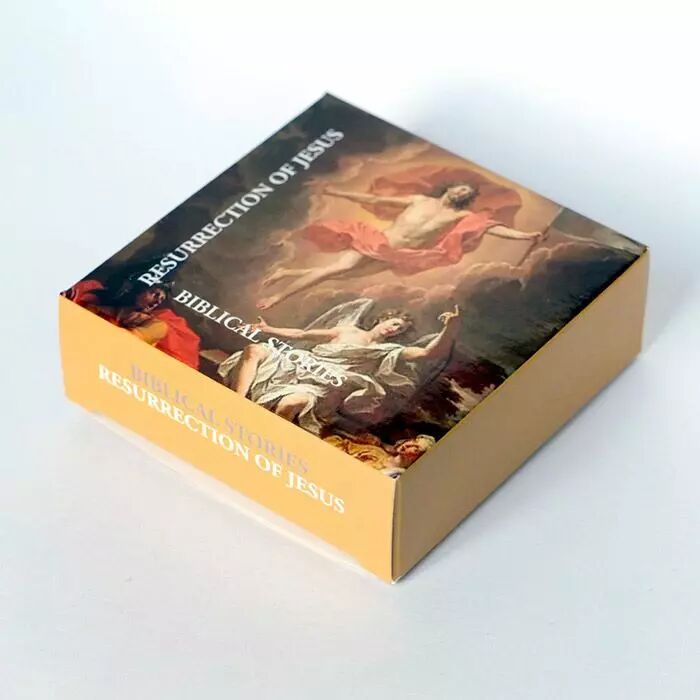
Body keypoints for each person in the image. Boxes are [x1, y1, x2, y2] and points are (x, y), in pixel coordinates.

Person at [258, 182, 545, 309]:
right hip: (377, 242)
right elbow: (376, 200)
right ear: (449, 189)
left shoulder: (462, 216)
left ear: (466, 199)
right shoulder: (420, 200)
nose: (461, 193)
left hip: (398, 254)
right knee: (335, 270)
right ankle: (279, 296)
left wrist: (527, 236)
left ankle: (286, 272)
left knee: (347, 275)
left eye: (466, 193)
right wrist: (336, 191)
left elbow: (493, 228)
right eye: (460, 188)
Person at [218, 301, 462, 435]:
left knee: (290, 404)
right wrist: (269, 329)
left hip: (322, 384)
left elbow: (429, 353)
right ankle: (237, 403)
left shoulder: (389, 351)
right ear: (384, 318)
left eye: (400, 329)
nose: (394, 329)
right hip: (300, 364)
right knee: (255, 350)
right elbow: (302, 334)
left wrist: (450, 327)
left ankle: (259, 438)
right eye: (394, 323)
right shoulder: (347, 331)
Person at [64, 278, 200, 368]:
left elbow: (126, 342)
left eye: (161, 299)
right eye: (154, 294)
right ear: (139, 291)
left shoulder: (156, 325)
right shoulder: (98, 305)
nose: (158, 301)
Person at [324, 432, 437, 477]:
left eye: (416, 449)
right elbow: (336, 441)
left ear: (417, 459)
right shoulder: (376, 451)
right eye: (413, 441)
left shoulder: (395, 477)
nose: (408, 445)